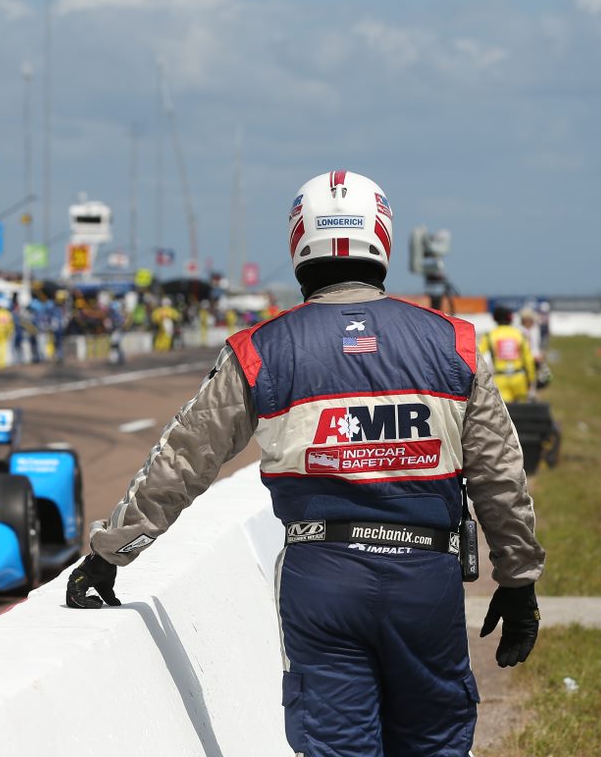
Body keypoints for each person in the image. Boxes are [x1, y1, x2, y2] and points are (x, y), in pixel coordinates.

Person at [68, 170, 545, 757]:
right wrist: (518, 579)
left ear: (298, 241)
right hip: (426, 580)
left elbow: (182, 460)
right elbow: (501, 476)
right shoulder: (454, 343)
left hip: (321, 577)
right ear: (383, 237)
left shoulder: (259, 349)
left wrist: (111, 552)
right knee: (435, 745)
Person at [479, 306, 537, 403]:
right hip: (519, 378)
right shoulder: (519, 334)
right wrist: (531, 379)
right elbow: (528, 359)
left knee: (507, 413)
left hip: (500, 379)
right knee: (522, 413)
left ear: (495, 319)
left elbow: (477, 356)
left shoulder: (489, 336)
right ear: (511, 319)